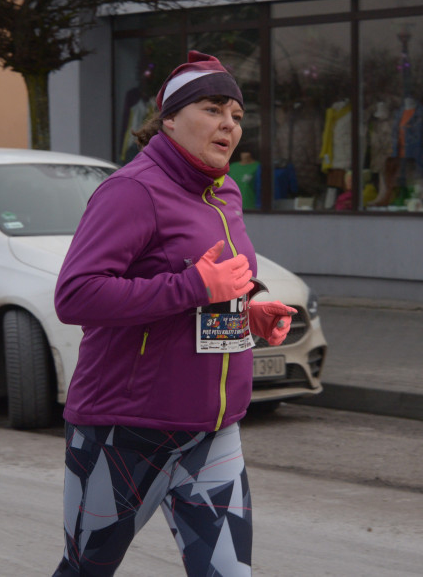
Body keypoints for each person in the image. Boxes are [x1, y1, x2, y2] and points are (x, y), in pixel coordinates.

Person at [52, 51, 297, 576]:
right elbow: (75, 296)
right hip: (125, 430)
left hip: (211, 430)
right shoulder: (131, 191)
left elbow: (207, 290)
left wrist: (246, 312)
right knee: (84, 571)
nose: (228, 124)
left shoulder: (223, 191)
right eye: (212, 109)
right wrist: (193, 285)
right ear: (168, 118)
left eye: (236, 114)